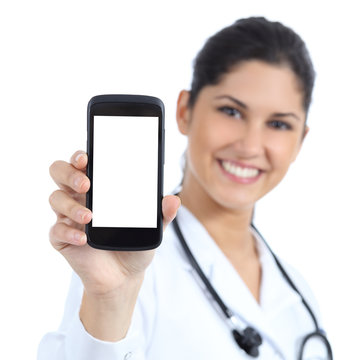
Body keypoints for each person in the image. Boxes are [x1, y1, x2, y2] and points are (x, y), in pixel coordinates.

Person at [38, 17, 333, 359]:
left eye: (279, 124)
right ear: (184, 111)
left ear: (300, 141)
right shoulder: (128, 264)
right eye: (231, 111)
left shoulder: (300, 297)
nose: (251, 146)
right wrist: (109, 298)